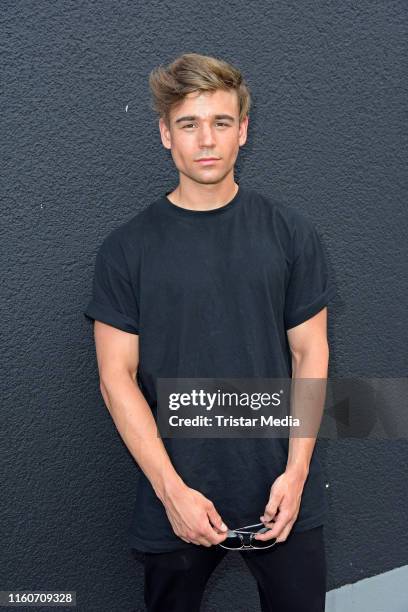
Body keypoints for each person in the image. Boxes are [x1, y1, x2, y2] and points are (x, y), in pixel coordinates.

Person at [84, 52, 335, 612]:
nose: (206, 140)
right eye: (188, 124)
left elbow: (310, 353)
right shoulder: (127, 249)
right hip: (175, 491)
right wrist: (171, 492)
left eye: (221, 122)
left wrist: (295, 475)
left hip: (280, 492)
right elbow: (114, 377)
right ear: (164, 134)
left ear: (243, 131)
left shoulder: (291, 234)